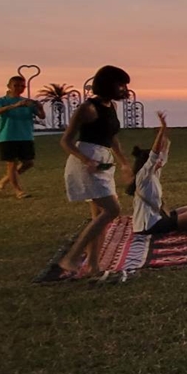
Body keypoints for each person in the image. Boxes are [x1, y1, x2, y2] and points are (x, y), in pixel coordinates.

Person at [56, 65, 133, 278]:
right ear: (109, 84)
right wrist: (86, 160)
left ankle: (93, 266)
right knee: (112, 210)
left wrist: (124, 163)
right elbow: (66, 141)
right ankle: (71, 257)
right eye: (121, 84)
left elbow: (112, 137)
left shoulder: (111, 107)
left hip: (103, 160)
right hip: (86, 161)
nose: (124, 89)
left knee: (100, 216)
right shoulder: (87, 108)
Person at [128, 111, 187, 236]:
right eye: (156, 161)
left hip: (158, 216)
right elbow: (155, 154)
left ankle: (182, 225)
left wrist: (164, 133)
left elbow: (163, 153)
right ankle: (182, 226)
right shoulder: (143, 176)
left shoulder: (153, 174)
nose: (159, 162)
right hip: (149, 225)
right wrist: (162, 128)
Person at [0, 76, 45, 199]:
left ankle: (3, 181)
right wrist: (15, 106)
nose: (19, 88)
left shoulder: (27, 102)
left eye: (22, 86)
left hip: (25, 136)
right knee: (12, 164)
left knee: (28, 163)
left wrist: (40, 107)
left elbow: (41, 116)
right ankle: (18, 190)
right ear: (9, 86)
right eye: (16, 85)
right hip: (8, 136)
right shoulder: (1, 101)